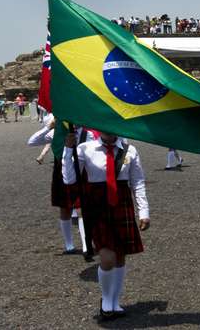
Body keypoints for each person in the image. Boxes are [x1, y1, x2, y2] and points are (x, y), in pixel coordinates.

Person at [63, 131, 149, 321]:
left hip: (122, 202)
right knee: (107, 256)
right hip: (97, 205)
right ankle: (106, 301)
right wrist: (68, 150)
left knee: (120, 257)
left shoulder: (130, 150)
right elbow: (69, 179)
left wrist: (144, 211)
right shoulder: (85, 148)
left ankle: (114, 301)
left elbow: (138, 182)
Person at [27, 117, 89, 255]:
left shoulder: (89, 132)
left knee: (82, 208)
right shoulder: (57, 131)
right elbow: (32, 142)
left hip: (83, 171)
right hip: (61, 170)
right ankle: (69, 245)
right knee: (65, 207)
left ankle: (86, 245)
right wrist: (49, 127)